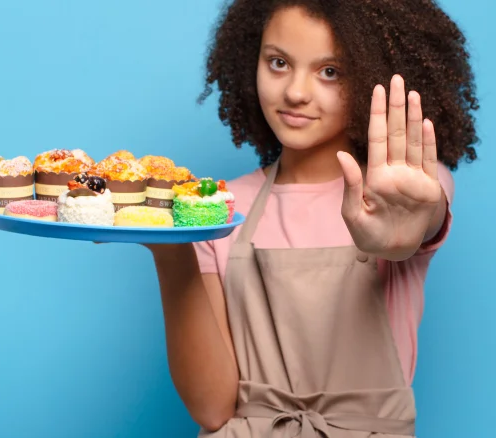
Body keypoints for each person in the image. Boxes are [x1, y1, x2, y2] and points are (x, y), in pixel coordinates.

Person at [146, 1, 479, 436]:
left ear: (370, 76)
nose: (295, 92)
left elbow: (420, 218)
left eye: (330, 72)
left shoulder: (408, 187)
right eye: (279, 63)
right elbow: (212, 409)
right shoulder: (220, 207)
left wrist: (409, 230)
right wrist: (169, 249)